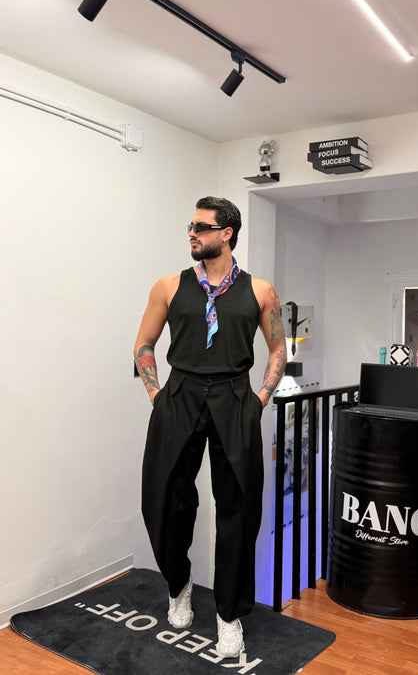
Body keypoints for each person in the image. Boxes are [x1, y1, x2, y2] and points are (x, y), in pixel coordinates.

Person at [133, 196, 287, 658]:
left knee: (238, 508)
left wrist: (259, 399)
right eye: (191, 226)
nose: (192, 233)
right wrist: (157, 394)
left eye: (201, 227)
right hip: (178, 394)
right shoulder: (168, 286)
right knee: (164, 498)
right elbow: (144, 343)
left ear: (227, 233)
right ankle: (178, 585)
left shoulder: (260, 290)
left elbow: (278, 349)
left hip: (235, 397)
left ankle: (229, 614)